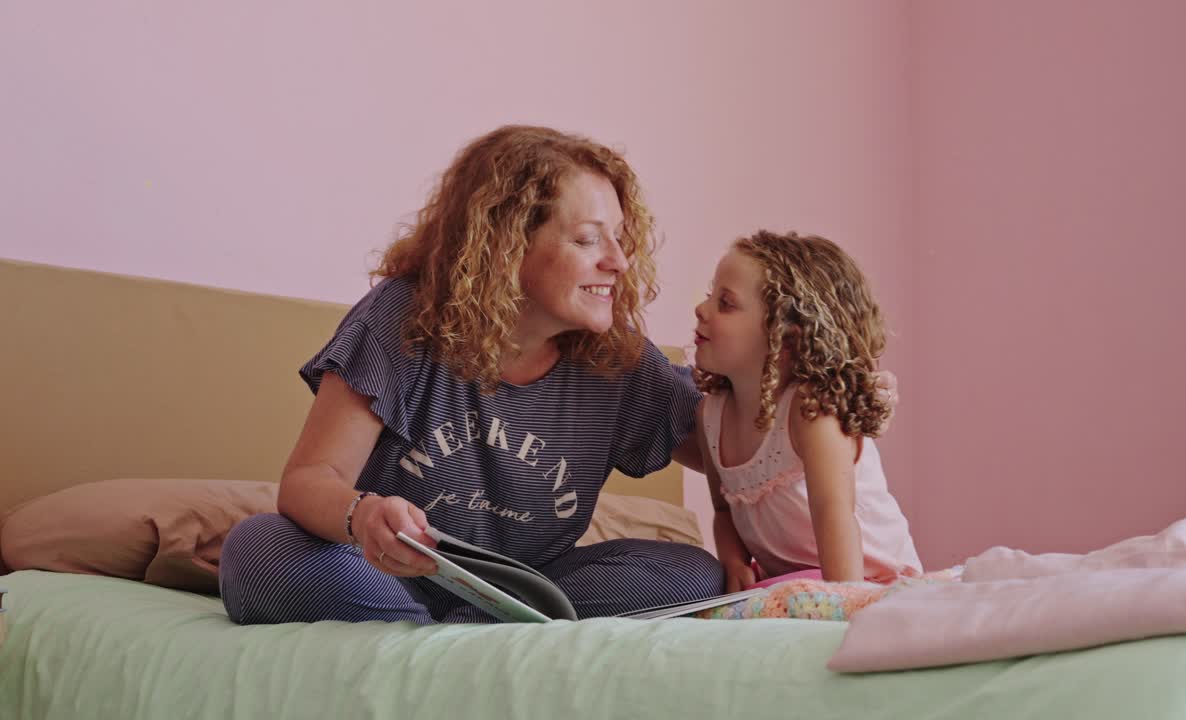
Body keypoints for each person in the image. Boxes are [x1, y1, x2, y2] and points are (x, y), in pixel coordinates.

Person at [219, 125, 724, 624]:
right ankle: (456, 642)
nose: (618, 261)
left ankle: (449, 641)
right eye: (589, 239)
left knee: (692, 572)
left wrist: (751, 361)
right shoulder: (402, 320)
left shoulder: (617, 359)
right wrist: (364, 515)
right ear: (507, 244)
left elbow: (735, 452)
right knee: (259, 549)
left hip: (525, 589)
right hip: (386, 575)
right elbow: (309, 480)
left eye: (619, 237)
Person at [691, 231, 921, 592]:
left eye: (725, 303)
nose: (701, 309)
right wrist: (734, 562)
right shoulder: (711, 415)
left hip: (867, 579)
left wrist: (843, 604)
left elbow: (836, 515)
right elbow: (723, 511)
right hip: (793, 583)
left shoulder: (812, 413)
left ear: (786, 337)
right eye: (710, 295)